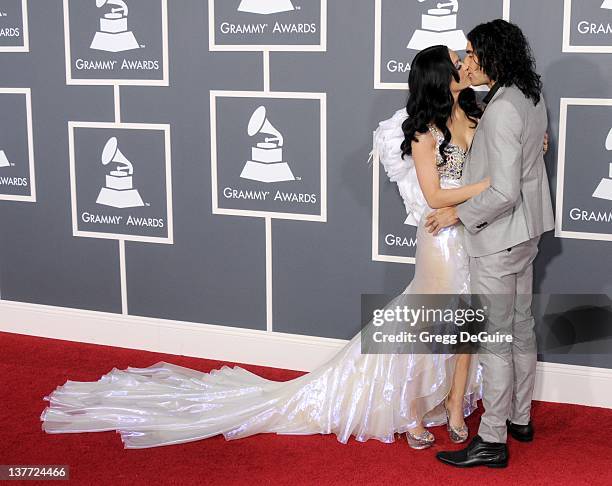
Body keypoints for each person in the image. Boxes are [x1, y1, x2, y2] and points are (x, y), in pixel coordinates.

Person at [40, 45, 491, 450]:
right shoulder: (421, 132)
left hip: (474, 235)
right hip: (442, 241)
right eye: (457, 62)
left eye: (465, 59)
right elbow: (434, 198)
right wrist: (488, 187)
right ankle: (411, 411)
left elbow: (507, 149)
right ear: (440, 78)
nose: (465, 64)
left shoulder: (475, 114)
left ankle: (453, 409)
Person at [427, 20, 555, 468]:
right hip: (528, 232)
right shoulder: (530, 93)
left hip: (501, 237)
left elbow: (502, 192)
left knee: (498, 339)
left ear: (491, 56)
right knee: (520, 326)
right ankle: (520, 418)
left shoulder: (501, 109)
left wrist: (458, 213)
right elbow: (535, 148)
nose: (463, 61)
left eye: (469, 53)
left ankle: (493, 439)